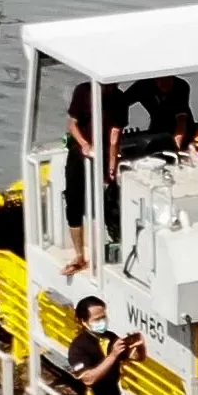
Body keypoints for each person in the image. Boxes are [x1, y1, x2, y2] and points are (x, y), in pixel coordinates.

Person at [63, 81, 125, 276]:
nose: (109, 89)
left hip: (105, 153)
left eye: (112, 86)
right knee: (74, 202)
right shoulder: (82, 91)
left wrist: (112, 165)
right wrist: (83, 144)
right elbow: (72, 123)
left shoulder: (119, 98)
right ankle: (79, 255)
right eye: (106, 86)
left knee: (108, 203)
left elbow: (115, 135)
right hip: (79, 153)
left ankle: (108, 250)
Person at [121, 76, 194, 149]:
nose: (165, 82)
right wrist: (120, 126)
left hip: (182, 129)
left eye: (168, 78)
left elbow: (181, 120)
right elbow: (121, 103)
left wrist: (176, 147)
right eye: (161, 79)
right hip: (157, 128)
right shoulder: (143, 86)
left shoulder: (180, 86)